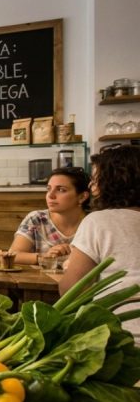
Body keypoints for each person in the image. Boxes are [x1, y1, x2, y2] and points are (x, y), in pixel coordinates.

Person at [59, 145, 140, 339]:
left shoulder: (100, 221)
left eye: (95, 178)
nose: (90, 186)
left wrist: (69, 266)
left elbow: (72, 291)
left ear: (114, 181)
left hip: (123, 336)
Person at [10, 167, 90, 265]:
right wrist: (45, 257)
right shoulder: (37, 219)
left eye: (61, 190)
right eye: (49, 189)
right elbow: (13, 255)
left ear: (82, 197)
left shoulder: (94, 223)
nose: (50, 195)